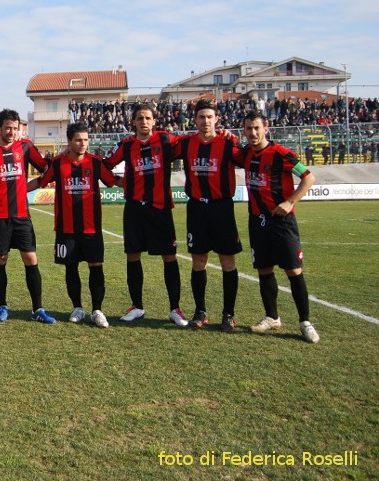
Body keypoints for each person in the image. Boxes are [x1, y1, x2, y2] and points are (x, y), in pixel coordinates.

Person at [233, 111, 319, 343]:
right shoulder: (246, 154)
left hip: (281, 222)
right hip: (257, 220)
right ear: (244, 130)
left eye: (257, 128)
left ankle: (305, 322)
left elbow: (309, 178)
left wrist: (290, 201)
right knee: (264, 269)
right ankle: (272, 317)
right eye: (249, 128)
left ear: (266, 128)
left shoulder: (282, 154)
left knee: (293, 270)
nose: (253, 132)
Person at [103, 104, 188, 326]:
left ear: (154, 120)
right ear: (133, 122)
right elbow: (104, 166)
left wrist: (226, 135)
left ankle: (175, 309)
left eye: (147, 118)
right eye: (139, 118)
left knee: (169, 257)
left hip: (160, 208)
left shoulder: (166, 140)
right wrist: (120, 183)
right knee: (133, 255)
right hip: (134, 209)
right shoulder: (126, 144)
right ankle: (137, 306)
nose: (144, 121)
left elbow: (193, 144)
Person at [0, 109, 53, 323]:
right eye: (7, 127)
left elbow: (46, 170)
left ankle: (37, 309)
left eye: (15, 128)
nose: (12, 132)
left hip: (21, 214)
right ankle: (2, 305)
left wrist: (29, 187)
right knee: (0, 259)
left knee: (31, 258)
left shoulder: (25, 147)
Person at [31, 122, 117, 327]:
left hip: (91, 228)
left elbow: (113, 181)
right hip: (66, 228)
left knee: (96, 267)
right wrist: (15, 192)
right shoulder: (58, 164)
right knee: (71, 268)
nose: (83, 144)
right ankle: (77, 307)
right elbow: (41, 182)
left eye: (86, 140)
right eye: (78, 140)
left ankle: (97, 310)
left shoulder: (96, 163)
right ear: (69, 141)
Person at [174, 99, 242, 332]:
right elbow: (158, 146)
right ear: (195, 120)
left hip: (222, 207)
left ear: (217, 120)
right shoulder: (185, 144)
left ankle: (228, 314)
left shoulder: (228, 144)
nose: (205, 121)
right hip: (197, 208)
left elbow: (250, 155)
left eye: (209, 117)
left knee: (227, 261)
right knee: (199, 260)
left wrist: (236, 138)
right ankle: (200, 311)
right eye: (201, 117)